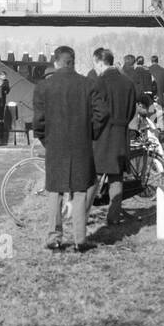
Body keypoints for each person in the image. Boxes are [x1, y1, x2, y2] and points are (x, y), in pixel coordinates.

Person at [32, 45, 108, 252]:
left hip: (55, 146)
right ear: (73, 61)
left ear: (56, 62)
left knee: (55, 192)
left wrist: (46, 140)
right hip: (81, 146)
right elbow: (103, 113)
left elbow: (38, 122)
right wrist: (89, 134)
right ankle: (80, 240)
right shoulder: (88, 85)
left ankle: (54, 238)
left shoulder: (43, 87)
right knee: (81, 191)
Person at [91, 48, 136, 226]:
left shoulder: (98, 83)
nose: (94, 68)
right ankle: (114, 216)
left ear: (100, 63)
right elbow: (132, 110)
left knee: (92, 175)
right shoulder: (128, 83)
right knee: (116, 177)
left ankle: (82, 215)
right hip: (121, 134)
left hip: (102, 135)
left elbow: (94, 112)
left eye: (94, 63)